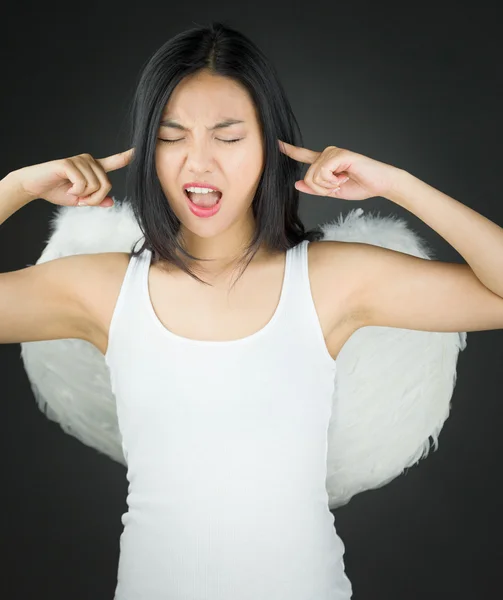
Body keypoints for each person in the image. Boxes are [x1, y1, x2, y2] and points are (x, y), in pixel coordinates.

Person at [2, 20, 503, 600]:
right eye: (172, 136)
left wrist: (396, 184)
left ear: (270, 145)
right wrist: (15, 186)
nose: (198, 162)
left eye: (227, 136)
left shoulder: (329, 281)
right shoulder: (102, 290)